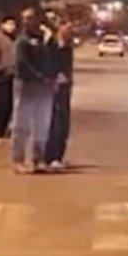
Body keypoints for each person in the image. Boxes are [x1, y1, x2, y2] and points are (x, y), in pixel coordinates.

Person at [10, 8, 55, 174]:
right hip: (26, 85)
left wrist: (50, 77)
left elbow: (51, 59)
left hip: (43, 88)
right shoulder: (22, 41)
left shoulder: (44, 39)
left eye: (30, 18)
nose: (27, 21)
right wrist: (39, 76)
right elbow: (22, 63)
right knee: (21, 125)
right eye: (25, 18)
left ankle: (38, 159)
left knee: (42, 124)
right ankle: (18, 160)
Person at [44, 21, 75, 170]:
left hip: (64, 88)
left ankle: (59, 156)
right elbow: (47, 64)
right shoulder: (51, 45)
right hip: (53, 87)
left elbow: (68, 66)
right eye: (67, 28)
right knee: (54, 123)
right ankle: (51, 157)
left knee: (64, 123)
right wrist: (54, 78)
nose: (70, 31)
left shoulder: (68, 47)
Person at [0, 14, 16, 138]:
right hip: (1, 77)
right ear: (2, 24)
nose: (12, 27)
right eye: (9, 24)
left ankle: (4, 128)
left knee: (9, 104)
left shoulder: (13, 39)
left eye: (13, 24)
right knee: (1, 104)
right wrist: (0, 68)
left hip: (12, 76)